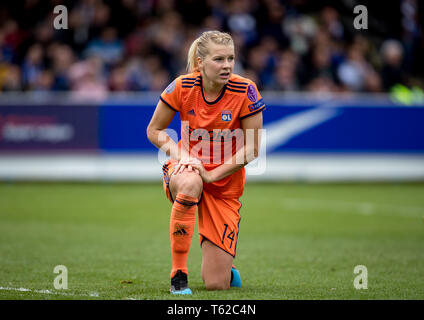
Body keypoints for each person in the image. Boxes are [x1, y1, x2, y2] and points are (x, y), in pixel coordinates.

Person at [146, 30, 265, 294]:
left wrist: (212, 176)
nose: (227, 66)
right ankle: (179, 274)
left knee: (216, 285)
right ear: (200, 63)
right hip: (185, 170)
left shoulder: (246, 90)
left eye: (231, 59)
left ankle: (224, 265)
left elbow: (253, 148)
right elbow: (154, 130)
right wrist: (183, 156)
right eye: (219, 59)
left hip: (224, 188)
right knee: (190, 181)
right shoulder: (182, 86)